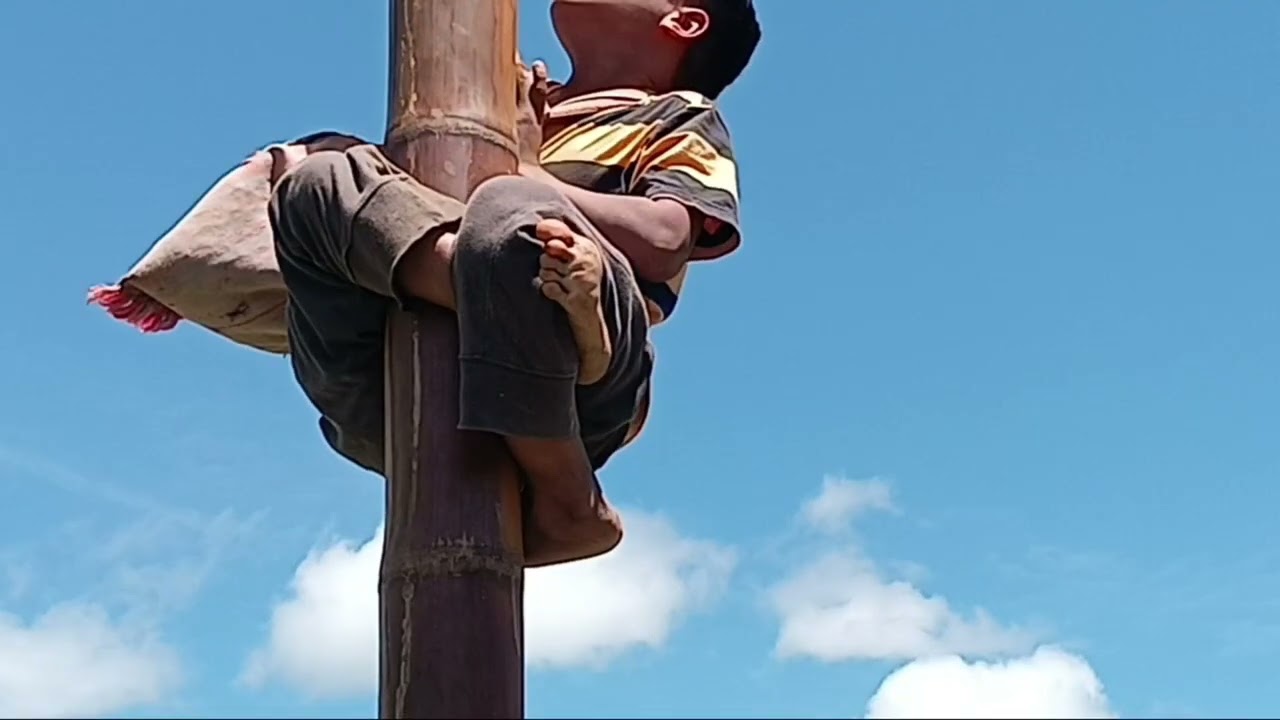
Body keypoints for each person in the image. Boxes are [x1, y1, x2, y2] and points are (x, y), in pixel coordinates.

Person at [268, 0, 760, 567]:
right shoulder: (513, 102)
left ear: (684, 21)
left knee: (513, 207)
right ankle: (488, 282)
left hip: (576, 393)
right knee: (317, 180)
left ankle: (568, 493)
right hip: (386, 393)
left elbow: (665, 238)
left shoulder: (677, 114)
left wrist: (528, 169)